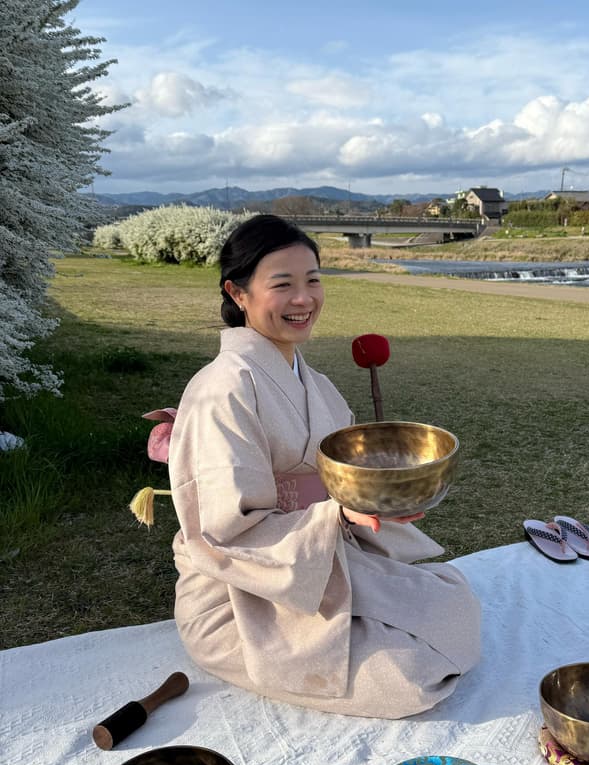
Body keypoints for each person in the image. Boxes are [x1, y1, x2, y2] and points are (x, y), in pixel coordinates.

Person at [168, 214, 481, 718]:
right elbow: (224, 531)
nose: (303, 299)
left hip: (316, 561)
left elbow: (341, 472)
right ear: (238, 292)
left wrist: (373, 501)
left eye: (313, 280)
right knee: (409, 677)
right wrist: (335, 516)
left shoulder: (310, 378)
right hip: (242, 591)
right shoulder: (221, 389)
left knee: (455, 606)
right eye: (283, 284)